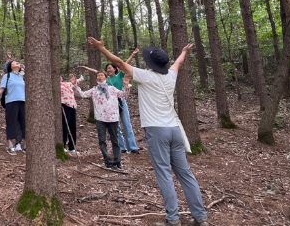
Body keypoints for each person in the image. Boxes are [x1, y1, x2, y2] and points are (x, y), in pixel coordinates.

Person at [88, 37, 209, 226]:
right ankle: (200, 217)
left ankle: (173, 219)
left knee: (164, 174)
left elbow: (119, 63)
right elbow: (178, 63)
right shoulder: (171, 75)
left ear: (151, 64)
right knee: (185, 174)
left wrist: (102, 48)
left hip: (157, 131)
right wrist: (184, 52)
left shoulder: (145, 76)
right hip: (174, 130)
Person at [79, 48, 140, 154]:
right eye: (107, 68)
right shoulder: (105, 79)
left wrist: (133, 55)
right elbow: (96, 72)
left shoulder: (119, 76)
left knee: (126, 124)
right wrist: (86, 68)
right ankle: (122, 147)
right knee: (116, 126)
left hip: (121, 101)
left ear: (115, 69)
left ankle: (133, 147)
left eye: (110, 68)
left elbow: (125, 64)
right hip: (111, 104)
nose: (108, 70)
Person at [72, 70, 130, 169]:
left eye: (102, 75)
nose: (100, 77)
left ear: (106, 78)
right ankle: (107, 161)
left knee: (115, 140)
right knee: (102, 141)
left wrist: (126, 85)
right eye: (98, 75)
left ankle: (118, 161)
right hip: (100, 118)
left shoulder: (112, 89)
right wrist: (75, 85)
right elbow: (82, 94)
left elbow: (124, 95)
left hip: (113, 118)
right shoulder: (94, 90)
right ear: (96, 79)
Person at [0, 60, 25, 155]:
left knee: (24, 123)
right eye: (15, 62)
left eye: (18, 62)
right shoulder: (7, 76)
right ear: (10, 66)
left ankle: (24, 144)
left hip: (23, 102)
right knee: (11, 123)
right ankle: (10, 145)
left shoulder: (22, 76)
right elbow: (1, 89)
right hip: (11, 102)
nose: (17, 63)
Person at [60, 73, 83, 154]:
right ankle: (62, 145)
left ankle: (72, 147)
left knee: (72, 127)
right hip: (64, 106)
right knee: (64, 126)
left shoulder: (66, 84)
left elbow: (75, 82)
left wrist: (80, 79)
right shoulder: (55, 86)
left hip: (72, 106)